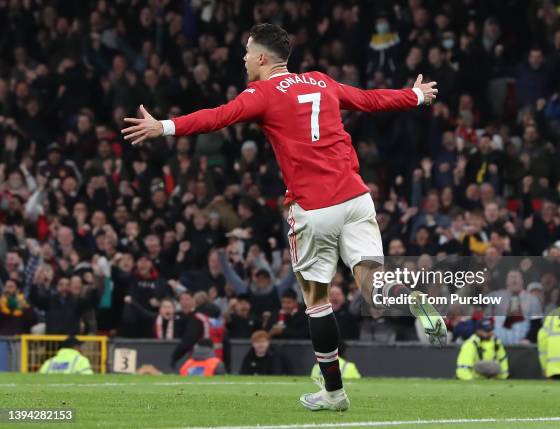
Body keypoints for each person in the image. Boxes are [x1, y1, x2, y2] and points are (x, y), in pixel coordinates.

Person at [122, 23, 443, 412]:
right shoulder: (322, 82)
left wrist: (165, 126)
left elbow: (219, 116)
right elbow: (368, 99)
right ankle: (414, 299)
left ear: (261, 57)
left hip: (313, 207)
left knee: (317, 301)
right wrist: (414, 94)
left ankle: (335, 393)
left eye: (246, 51)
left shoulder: (262, 93)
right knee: (372, 284)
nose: (243, 58)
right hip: (357, 197)